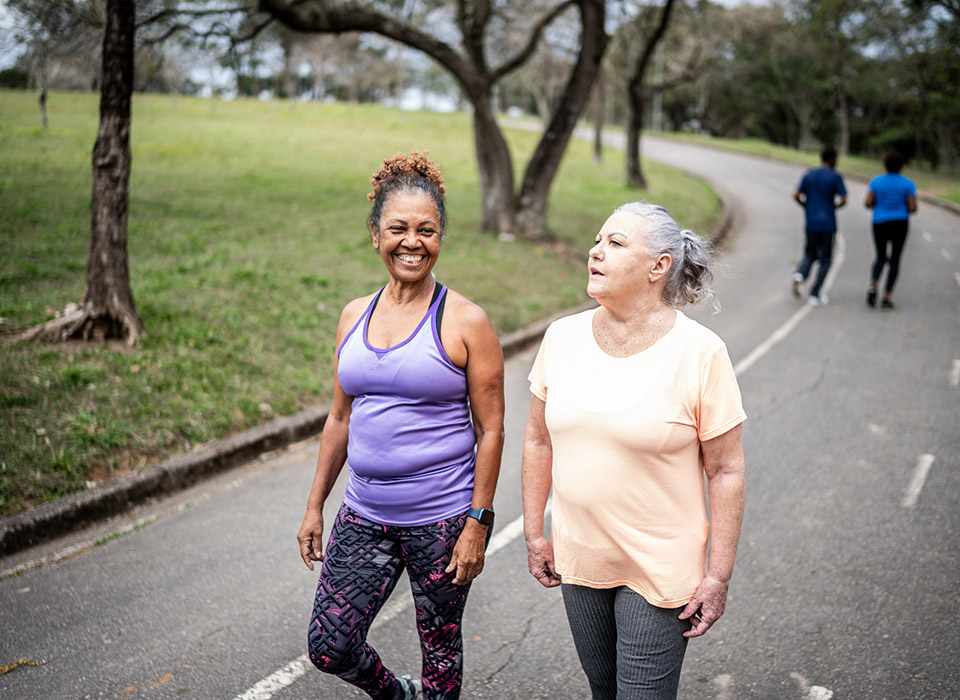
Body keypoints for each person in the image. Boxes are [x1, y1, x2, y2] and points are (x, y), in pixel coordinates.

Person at [297, 152, 505, 700]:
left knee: (439, 653)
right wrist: (316, 504)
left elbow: (492, 429)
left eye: (426, 230)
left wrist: (478, 522)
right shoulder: (353, 315)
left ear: (441, 237)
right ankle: (397, 695)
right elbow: (339, 416)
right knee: (329, 646)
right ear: (375, 235)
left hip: (441, 520)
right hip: (365, 513)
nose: (412, 242)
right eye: (398, 229)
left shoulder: (465, 321)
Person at [521, 202, 747, 700]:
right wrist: (535, 533)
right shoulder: (562, 337)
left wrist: (718, 575)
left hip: (660, 565)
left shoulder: (700, 352)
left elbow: (727, 470)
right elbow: (538, 438)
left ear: (658, 267)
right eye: (598, 241)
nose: (595, 252)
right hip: (580, 557)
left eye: (615, 243)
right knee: (604, 688)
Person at [791, 145, 847, 306]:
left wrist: (805, 205)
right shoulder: (835, 177)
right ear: (833, 160)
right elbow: (844, 198)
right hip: (828, 223)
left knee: (810, 253)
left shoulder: (809, 175)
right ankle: (815, 293)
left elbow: (795, 193)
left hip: (811, 222)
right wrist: (835, 206)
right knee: (826, 259)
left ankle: (800, 274)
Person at [864, 152, 917, 309]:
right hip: (900, 222)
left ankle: (874, 283)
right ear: (902, 167)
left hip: (880, 221)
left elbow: (868, 203)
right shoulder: (908, 184)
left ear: (885, 165)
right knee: (895, 259)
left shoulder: (876, 182)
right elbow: (912, 207)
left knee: (880, 256)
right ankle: (887, 296)